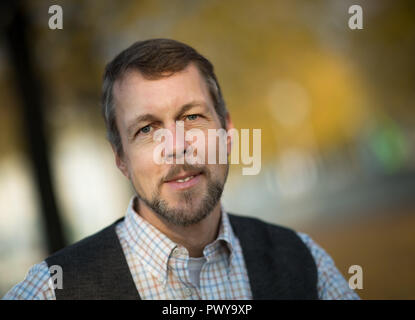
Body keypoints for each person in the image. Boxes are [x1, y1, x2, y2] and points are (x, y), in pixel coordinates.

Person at [3, 39, 359, 300]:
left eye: (192, 117)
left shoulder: (305, 263)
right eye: (146, 129)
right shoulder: (55, 288)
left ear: (227, 131)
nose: (176, 145)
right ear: (120, 158)